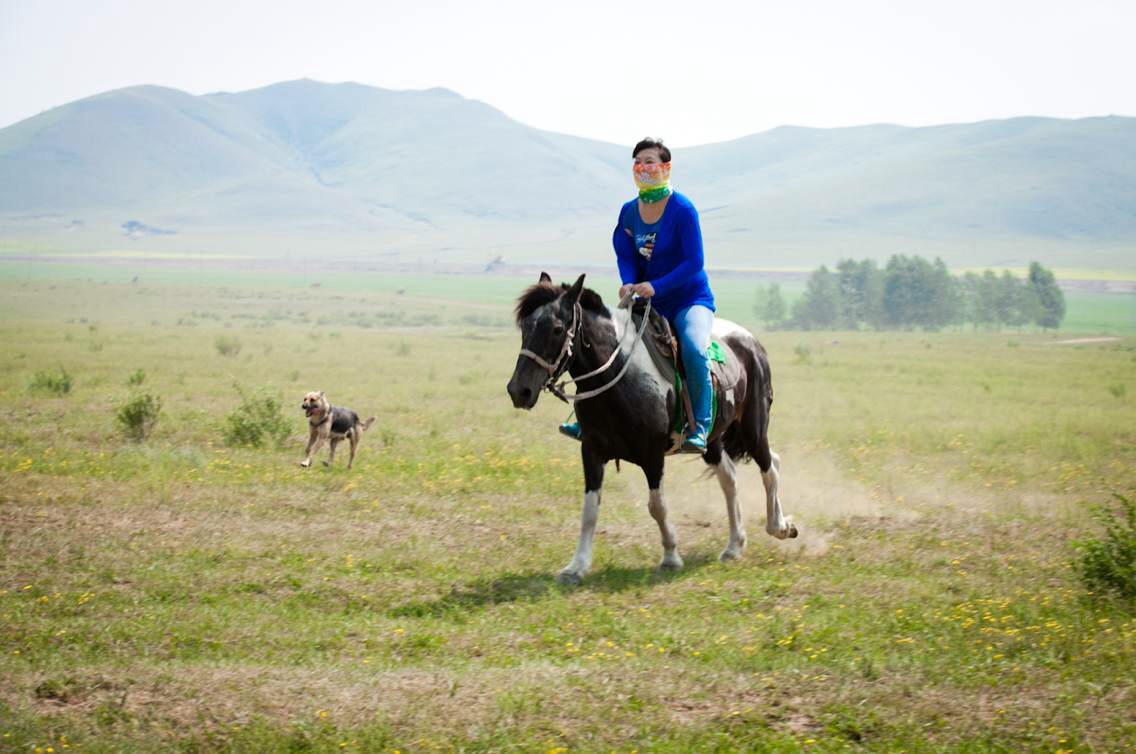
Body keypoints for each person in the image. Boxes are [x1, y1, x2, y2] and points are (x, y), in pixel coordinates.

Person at [560, 137, 716, 451]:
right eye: (638, 162)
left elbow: (694, 263)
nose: (642, 167)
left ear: (666, 167)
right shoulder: (629, 212)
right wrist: (629, 282)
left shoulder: (683, 210)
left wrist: (657, 286)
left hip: (688, 300)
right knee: (601, 342)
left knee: (695, 349)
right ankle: (586, 419)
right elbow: (626, 255)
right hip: (644, 301)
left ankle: (700, 426)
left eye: (649, 161)